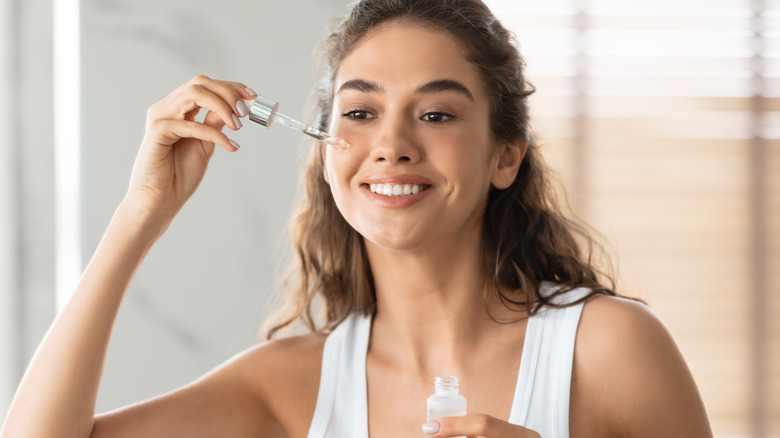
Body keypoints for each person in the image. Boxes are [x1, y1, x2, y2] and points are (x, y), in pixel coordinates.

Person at [1, 0, 713, 437]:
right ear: (326, 153)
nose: (392, 147)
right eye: (361, 112)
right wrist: (140, 213)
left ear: (505, 157)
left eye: (435, 114)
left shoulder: (609, 351)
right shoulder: (290, 385)